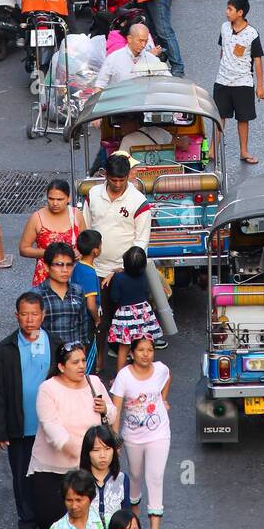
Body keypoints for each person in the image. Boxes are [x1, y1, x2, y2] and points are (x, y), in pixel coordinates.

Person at [0, 292, 62, 529]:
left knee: (51, 478)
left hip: (50, 428)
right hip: (19, 428)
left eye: (34, 314)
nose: (30, 320)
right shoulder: (5, 349)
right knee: (21, 478)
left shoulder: (56, 345)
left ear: (43, 315)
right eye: (25, 314)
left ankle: (53, 525)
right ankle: (27, 523)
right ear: (16, 316)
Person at [28, 345, 116, 529]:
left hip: (86, 468)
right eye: (75, 362)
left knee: (86, 519)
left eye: (83, 361)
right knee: (50, 521)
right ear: (61, 366)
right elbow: (50, 425)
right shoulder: (48, 389)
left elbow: (112, 414)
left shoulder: (94, 382)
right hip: (52, 469)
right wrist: (71, 448)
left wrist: (106, 410)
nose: (81, 366)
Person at [81, 154, 152, 365]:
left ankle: (131, 367)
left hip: (124, 273)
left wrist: (124, 269)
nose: (118, 184)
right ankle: (97, 361)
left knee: (130, 324)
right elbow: (85, 227)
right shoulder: (92, 195)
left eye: (122, 180)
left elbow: (141, 241)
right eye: (114, 180)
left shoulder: (138, 202)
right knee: (97, 320)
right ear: (105, 175)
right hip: (96, 270)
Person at [111, 336, 171, 529]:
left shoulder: (160, 369)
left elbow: (168, 377)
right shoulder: (124, 376)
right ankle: (134, 528)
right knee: (135, 477)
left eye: (150, 350)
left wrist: (163, 399)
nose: (146, 354)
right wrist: (115, 439)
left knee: (155, 477)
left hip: (159, 433)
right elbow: (116, 409)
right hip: (133, 437)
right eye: (141, 350)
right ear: (132, 353)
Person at [214, 0, 264, 164]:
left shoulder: (252, 34)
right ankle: (213, 151)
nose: (226, 12)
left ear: (240, 13)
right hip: (222, 81)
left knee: (243, 119)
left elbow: (257, 59)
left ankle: (244, 151)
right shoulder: (224, 27)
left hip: (243, 83)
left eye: (230, 9)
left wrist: (259, 86)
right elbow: (223, 50)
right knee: (219, 117)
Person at [107, 246, 162, 374]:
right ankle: (147, 375)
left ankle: (120, 379)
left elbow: (114, 297)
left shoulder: (119, 278)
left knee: (123, 348)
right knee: (145, 346)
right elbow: (147, 292)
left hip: (126, 315)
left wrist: (115, 275)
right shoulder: (143, 276)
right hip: (143, 313)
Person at [20, 177, 83, 286]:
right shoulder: (37, 218)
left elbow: (85, 243)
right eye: (51, 198)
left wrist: (80, 251)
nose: (54, 203)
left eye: (60, 199)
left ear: (68, 198)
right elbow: (24, 249)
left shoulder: (76, 215)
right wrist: (52, 253)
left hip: (73, 276)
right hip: (45, 278)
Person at [38, 242, 89, 349]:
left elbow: (82, 328)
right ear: (46, 267)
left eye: (69, 265)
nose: (65, 270)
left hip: (72, 358)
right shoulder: (37, 295)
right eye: (59, 265)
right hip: (47, 357)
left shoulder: (78, 292)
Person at [80, 425, 131, 528]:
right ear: (87, 453)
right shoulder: (79, 480)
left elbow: (126, 517)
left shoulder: (122, 479)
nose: (103, 455)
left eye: (107, 449)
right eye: (96, 450)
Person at [93, 22, 167, 90]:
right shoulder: (113, 59)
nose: (143, 45)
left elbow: (166, 78)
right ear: (129, 39)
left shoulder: (152, 59)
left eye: (146, 41)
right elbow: (100, 85)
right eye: (140, 41)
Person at [72, 227, 103, 372]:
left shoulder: (78, 266)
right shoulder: (89, 273)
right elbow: (91, 305)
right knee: (89, 352)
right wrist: (97, 319)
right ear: (95, 251)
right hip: (87, 320)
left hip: (77, 317)